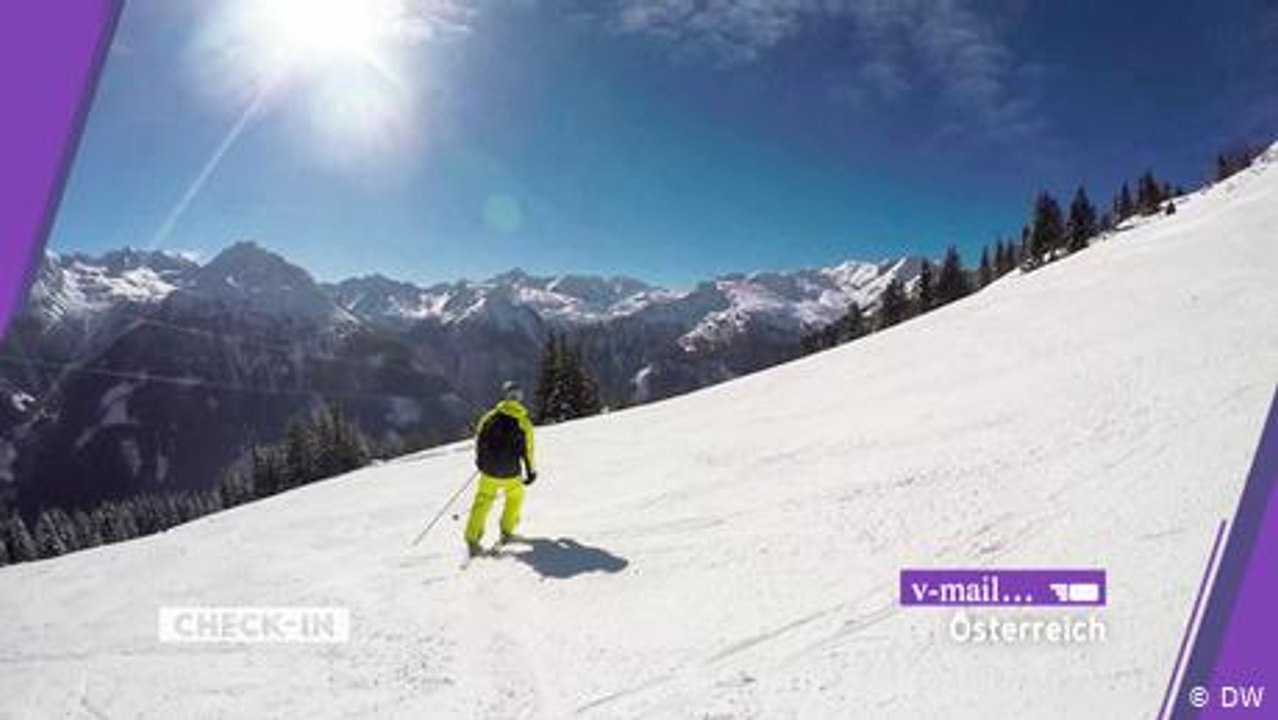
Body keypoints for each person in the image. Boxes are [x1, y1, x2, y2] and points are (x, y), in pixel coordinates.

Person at [465, 380, 537, 556]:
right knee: (515, 498)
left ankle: (472, 538)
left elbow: (479, 440)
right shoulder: (523, 422)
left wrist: (480, 462)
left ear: (504, 397)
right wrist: (531, 471)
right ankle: (506, 530)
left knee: (483, 500)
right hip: (511, 473)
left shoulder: (488, 416)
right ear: (519, 397)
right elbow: (528, 450)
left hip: (488, 471)